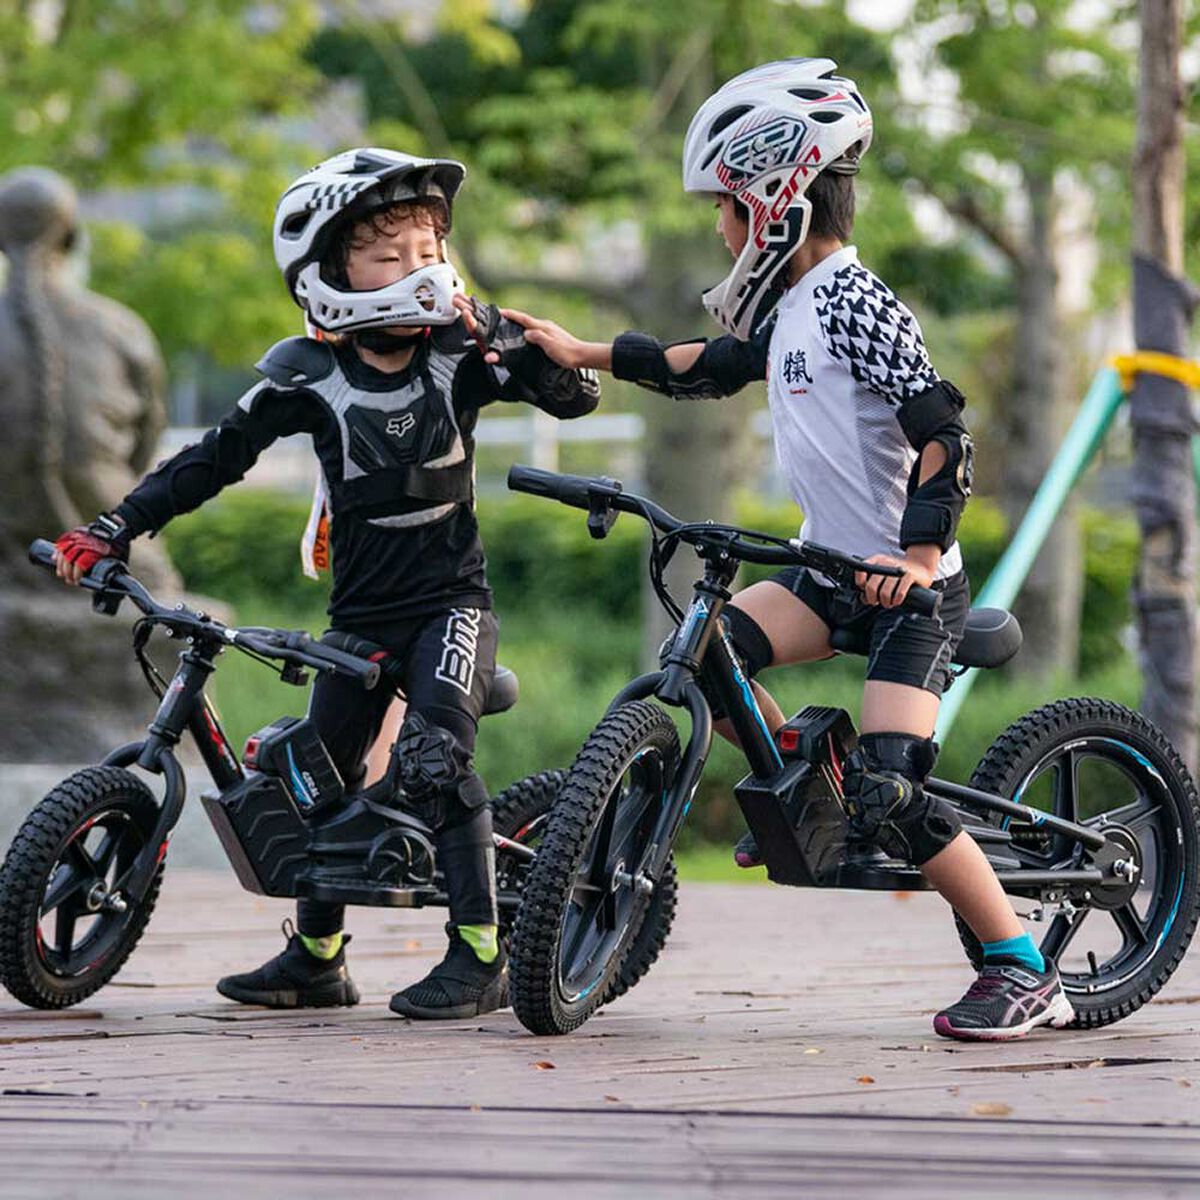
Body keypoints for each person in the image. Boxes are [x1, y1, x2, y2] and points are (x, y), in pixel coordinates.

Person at [500, 60, 1073, 1041]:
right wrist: (583, 352)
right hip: (825, 574)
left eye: (726, 208)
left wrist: (923, 559)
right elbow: (705, 367)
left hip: (908, 594)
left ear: (773, 206)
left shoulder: (857, 302)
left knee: (895, 790)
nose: (719, 230)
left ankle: (1022, 966)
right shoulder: (787, 311)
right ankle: (809, 777)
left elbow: (946, 433)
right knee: (707, 649)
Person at [53, 147, 600, 1019]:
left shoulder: (462, 344)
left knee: (432, 759)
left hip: (451, 610)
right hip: (361, 614)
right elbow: (212, 460)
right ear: (326, 272)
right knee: (313, 773)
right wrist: (115, 526)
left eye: (427, 250)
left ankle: (483, 953)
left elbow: (575, 402)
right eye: (391, 255)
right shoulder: (307, 373)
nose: (418, 269)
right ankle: (316, 958)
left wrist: (528, 351)